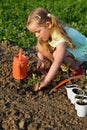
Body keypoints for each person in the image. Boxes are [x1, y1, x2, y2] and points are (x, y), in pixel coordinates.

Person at [26, 7, 87, 91]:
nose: (36, 35)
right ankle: (57, 69)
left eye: (38, 31)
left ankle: (78, 71)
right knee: (41, 45)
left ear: (48, 24)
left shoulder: (59, 35)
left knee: (58, 55)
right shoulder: (47, 31)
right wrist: (40, 60)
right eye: (34, 33)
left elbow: (58, 60)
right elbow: (40, 47)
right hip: (72, 50)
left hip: (82, 51)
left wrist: (46, 81)